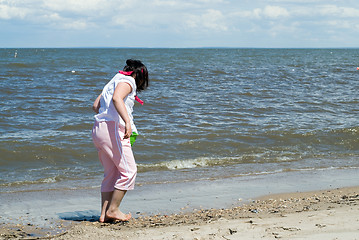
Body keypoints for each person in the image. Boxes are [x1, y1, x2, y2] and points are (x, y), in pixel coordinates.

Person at [92, 59, 149, 222]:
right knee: (129, 171)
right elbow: (117, 98)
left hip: (98, 129)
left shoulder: (113, 80)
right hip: (113, 130)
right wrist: (128, 122)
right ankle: (114, 210)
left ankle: (104, 215)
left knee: (112, 173)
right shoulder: (128, 80)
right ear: (139, 75)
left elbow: (96, 106)